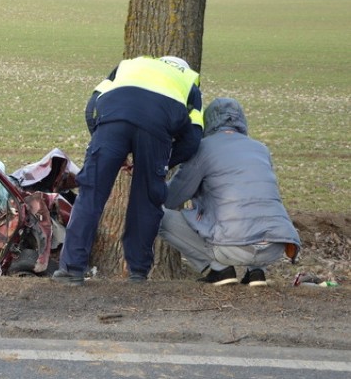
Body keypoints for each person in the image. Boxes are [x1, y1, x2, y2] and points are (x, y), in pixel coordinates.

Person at [53, 55, 204, 285]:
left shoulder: (129, 65)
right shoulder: (188, 81)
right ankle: (138, 273)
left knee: (90, 193)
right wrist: (166, 159)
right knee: (146, 199)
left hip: (112, 119)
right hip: (157, 129)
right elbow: (192, 139)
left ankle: (72, 270)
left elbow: (91, 107)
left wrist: (105, 142)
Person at [159, 97, 301, 286]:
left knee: (156, 215)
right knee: (255, 204)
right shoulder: (261, 149)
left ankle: (219, 270)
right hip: (275, 247)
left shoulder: (203, 148)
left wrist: (149, 185)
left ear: (207, 122)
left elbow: (173, 196)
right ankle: (256, 273)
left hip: (232, 247)